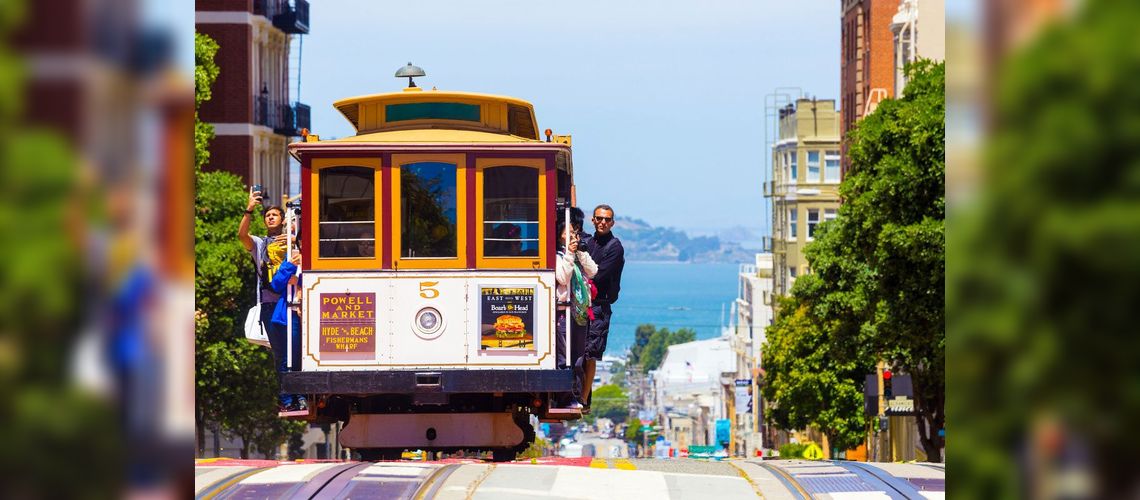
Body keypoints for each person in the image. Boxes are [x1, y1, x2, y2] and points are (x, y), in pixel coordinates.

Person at [583, 204, 625, 411]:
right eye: (599, 218)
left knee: (591, 352)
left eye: (607, 219)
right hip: (582, 304)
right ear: (593, 220)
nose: (603, 222)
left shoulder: (615, 248)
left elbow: (597, 275)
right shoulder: (588, 242)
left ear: (612, 223)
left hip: (599, 307)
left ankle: (584, 399)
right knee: (579, 351)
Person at [238, 187, 288, 357]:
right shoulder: (260, 244)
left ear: (283, 220)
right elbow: (242, 236)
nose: (271, 217)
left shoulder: (293, 240)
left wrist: (295, 240)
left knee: (294, 352)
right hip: (270, 304)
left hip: (292, 302)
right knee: (279, 353)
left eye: (275, 214)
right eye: (267, 215)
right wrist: (249, 208)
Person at [555, 208, 596, 409]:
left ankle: (577, 396)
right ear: (559, 234)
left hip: (579, 313)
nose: (571, 236)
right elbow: (563, 277)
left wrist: (579, 250)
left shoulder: (577, 254)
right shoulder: (557, 256)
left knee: (579, 357)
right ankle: (564, 397)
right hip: (564, 313)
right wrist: (570, 253)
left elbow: (593, 270)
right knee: (565, 357)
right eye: (567, 233)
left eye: (574, 233)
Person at [268, 248, 306, 411]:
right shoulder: (292, 257)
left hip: (305, 315)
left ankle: (301, 396)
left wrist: (298, 282)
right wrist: (290, 265)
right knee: (286, 358)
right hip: (286, 316)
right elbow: (276, 284)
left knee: (300, 358)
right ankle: (288, 399)